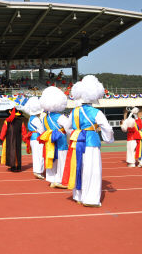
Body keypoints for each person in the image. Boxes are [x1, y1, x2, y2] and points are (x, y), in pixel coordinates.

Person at [62, 75, 114, 207]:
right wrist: (109, 139)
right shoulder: (96, 112)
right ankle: (90, 199)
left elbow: (67, 127)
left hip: (76, 141)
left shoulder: (74, 111)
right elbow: (107, 128)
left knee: (78, 166)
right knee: (92, 170)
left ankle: (78, 195)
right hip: (90, 141)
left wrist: (74, 134)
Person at [39, 86, 70, 188]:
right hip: (60, 140)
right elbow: (69, 127)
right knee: (62, 159)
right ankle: (60, 180)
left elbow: (43, 130)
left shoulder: (44, 118)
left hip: (50, 141)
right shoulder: (60, 117)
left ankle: (52, 178)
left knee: (52, 160)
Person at [24, 97, 45, 179]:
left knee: (36, 155)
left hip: (33, 138)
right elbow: (42, 129)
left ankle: (37, 171)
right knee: (40, 155)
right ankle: (39, 171)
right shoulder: (36, 119)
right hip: (38, 138)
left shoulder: (31, 118)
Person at [0, 107, 24, 172]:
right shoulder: (21, 121)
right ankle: (18, 166)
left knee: (11, 152)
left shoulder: (7, 121)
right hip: (18, 138)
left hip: (9, 139)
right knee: (18, 151)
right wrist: (25, 138)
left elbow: (3, 130)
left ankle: (13, 166)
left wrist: (1, 138)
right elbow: (23, 131)